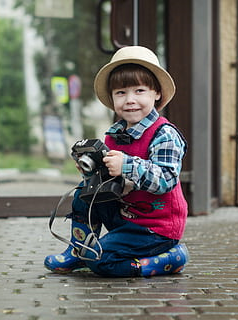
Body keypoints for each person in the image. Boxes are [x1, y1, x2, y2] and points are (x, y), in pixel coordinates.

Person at [44, 46, 189, 277]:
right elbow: (110, 182)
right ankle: (79, 247)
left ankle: (170, 258)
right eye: (121, 93)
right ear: (112, 98)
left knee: (101, 261)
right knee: (84, 191)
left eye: (139, 90)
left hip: (155, 227)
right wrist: (91, 172)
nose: (130, 100)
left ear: (157, 93)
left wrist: (127, 165)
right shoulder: (113, 136)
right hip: (125, 217)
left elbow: (167, 179)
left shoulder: (164, 134)